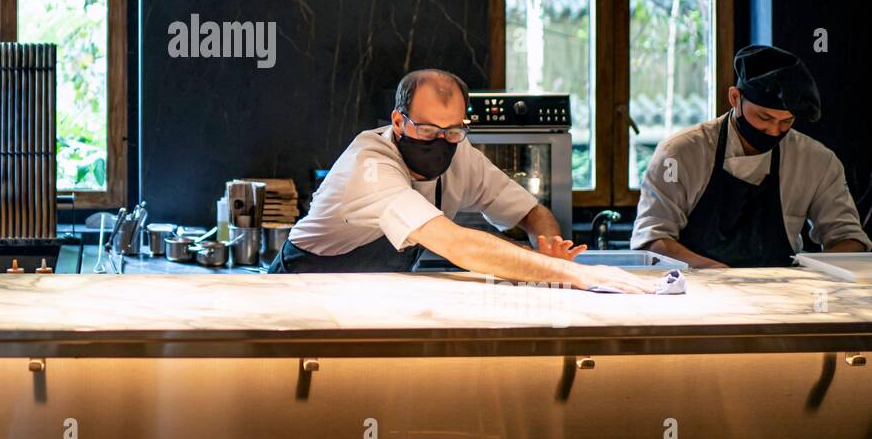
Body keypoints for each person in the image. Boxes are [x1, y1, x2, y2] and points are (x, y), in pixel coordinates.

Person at [267, 69, 652, 293]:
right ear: (399, 122)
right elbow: (455, 244)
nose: (442, 142)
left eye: (452, 131)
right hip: (298, 296)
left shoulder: (459, 152)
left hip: (374, 298)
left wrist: (546, 246)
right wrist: (577, 274)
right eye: (428, 130)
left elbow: (531, 211)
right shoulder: (368, 167)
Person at [632, 44, 871, 268]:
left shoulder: (816, 161)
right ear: (735, 98)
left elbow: (850, 240)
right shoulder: (680, 154)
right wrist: (717, 273)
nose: (774, 131)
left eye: (786, 121)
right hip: (694, 293)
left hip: (783, 297)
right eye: (764, 118)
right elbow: (653, 240)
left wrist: (805, 275)